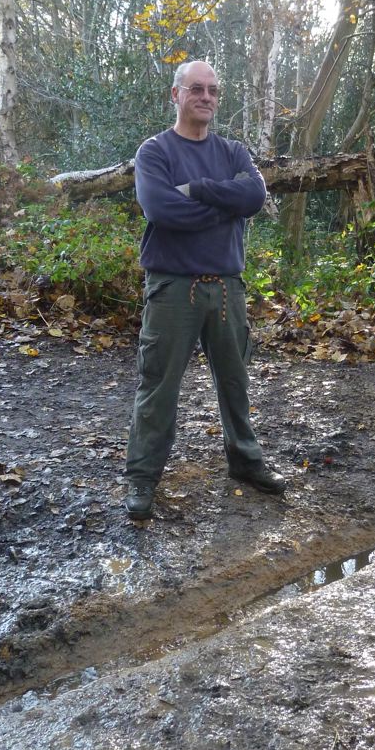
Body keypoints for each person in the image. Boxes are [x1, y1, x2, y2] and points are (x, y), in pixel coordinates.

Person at [125, 59, 286, 520]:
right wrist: (225, 204)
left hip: (227, 288)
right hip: (174, 287)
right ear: (176, 95)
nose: (206, 97)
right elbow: (162, 210)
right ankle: (142, 477)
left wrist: (196, 189)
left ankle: (246, 461)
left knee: (236, 381)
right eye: (196, 89)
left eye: (213, 90)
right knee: (158, 385)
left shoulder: (233, 152)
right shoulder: (155, 152)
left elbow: (254, 197)